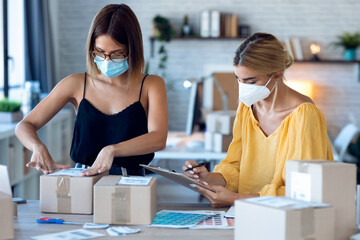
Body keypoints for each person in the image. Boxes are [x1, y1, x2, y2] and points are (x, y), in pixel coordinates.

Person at [183, 32, 333, 207]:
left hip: (288, 217)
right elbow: (236, 166)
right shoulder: (247, 107)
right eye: (239, 80)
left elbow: (303, 188)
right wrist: (209, 177)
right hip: (247, 211)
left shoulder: (304, 115)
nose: (243, 88)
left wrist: (235, 199)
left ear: (277, 75)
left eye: (250, 81)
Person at [15, 4, 168, 176]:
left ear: (132, 50)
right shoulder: (76, 84)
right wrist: (37, 146)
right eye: (100, 52)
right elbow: (24, 125)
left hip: (132, 184)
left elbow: (158, 138)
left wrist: (112, 150)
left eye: (117, 54)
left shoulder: (151, 85)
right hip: (83, 182)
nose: (107, 60)